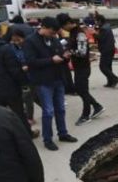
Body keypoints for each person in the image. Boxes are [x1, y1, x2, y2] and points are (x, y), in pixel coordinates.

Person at [22, 17, 78, 151]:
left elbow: (59, 55)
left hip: (57, 78)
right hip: (42, 81)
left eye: (55, 33)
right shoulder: (30, 41)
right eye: (52, 32)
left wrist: (65, 58)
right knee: (48, 111)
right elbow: (31, 62)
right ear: (44, 27)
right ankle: (48, 139)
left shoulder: (54, 39)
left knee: (61, 109)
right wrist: (51, 60)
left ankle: (63, 133)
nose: (54, 35)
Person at [60, 15, 104, 126]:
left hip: (83, 67)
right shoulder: (73, 33)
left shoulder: (79, 33)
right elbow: (68, 43)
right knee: (80, 90)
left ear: (68, 23)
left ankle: (86, 115)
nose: (63, 29)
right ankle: (97, 106)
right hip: (79, 67)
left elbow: (82, 52)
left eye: (63, 26)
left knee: (82, 91)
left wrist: (70, 52)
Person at [94, 14, 118, 88]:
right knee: (108, 66)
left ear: (99, 21)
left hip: (106, 50)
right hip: (111, 49)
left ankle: (115, 79)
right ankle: (110, 82)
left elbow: (101, 38)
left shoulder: (103, 28)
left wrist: (95, 34)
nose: (96, 23)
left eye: (96, 21)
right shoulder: (107, 26)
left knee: (102, 66)